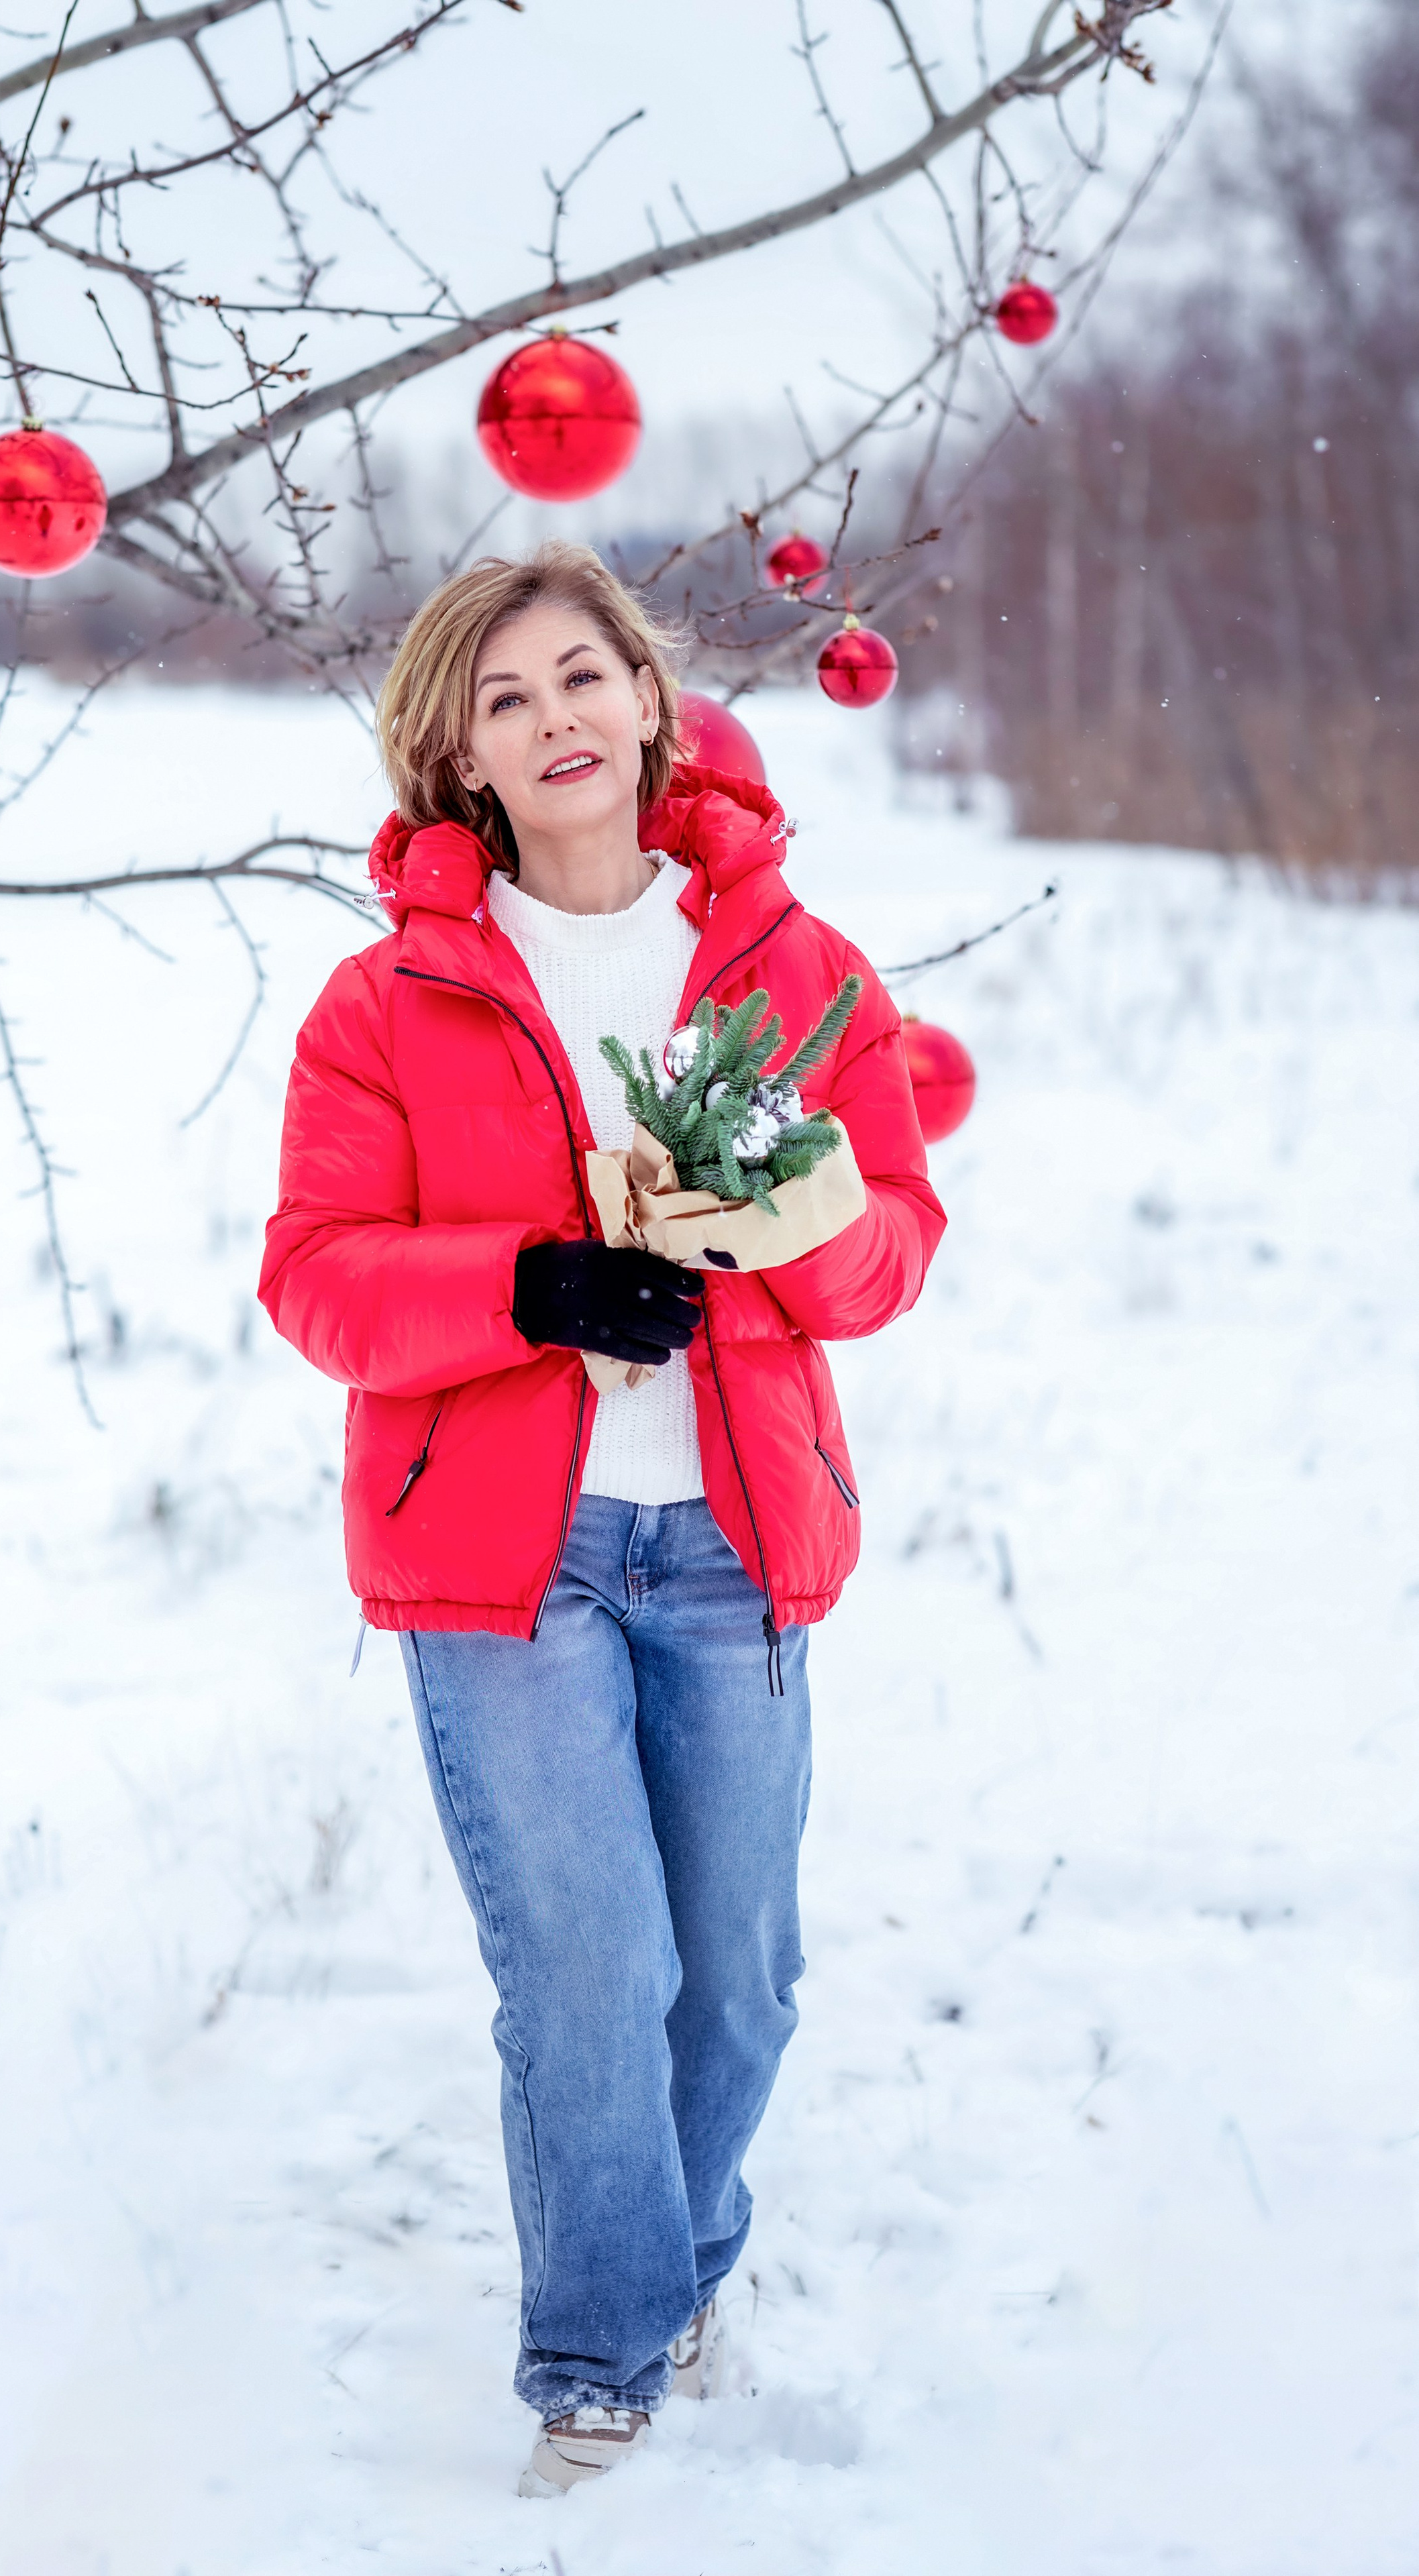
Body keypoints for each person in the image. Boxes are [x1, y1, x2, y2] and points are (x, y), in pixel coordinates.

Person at [260, 541, 945, 2497]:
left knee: (736, 1976)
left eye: (581, 678)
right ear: (462, 761)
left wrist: (807, 1228)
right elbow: (317, 1276)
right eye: (504, 699)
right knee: (584, 1971)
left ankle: (682, 2265)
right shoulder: (390, 998)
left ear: (651, 702)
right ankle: (600, 2349)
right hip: (504, 1561)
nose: (553, 719)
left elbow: (893, 1249)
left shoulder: (801, 972)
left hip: (735, 1540)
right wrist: (534, 1287)